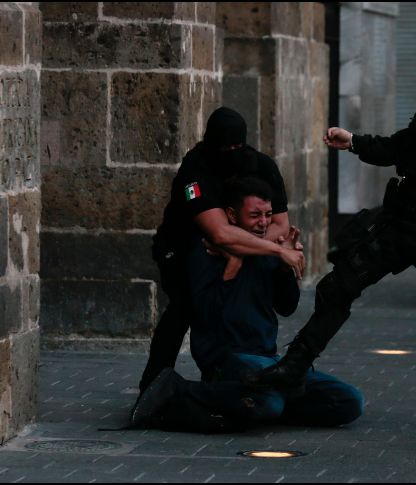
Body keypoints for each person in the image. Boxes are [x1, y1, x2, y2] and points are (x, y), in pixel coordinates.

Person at [241, 44, 416, 449]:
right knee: (336, 287)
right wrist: (353, 142)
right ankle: (294, 366)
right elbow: (399, 147)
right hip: (399, 226)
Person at [131, 177, 363, 431]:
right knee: (270, 403)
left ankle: (255, 404)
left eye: (268, 215)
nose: (263, 223)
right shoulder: (207, 252)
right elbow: (204, 314)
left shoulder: (269, 251)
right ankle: (178, 389)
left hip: (269, 360)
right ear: (231, 215)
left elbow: (288, 306)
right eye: (255, 215)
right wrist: (232, 266)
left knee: (349, 402)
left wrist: (285, 270)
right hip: (226, 360)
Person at [138, 107, 305, 394]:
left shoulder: (261, 165)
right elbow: (217, 232)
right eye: (225, 147)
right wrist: (275, 251)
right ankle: (153, 386)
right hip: (184, 246)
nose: (232, 152)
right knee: (184, 307)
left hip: (232, 248)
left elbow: (280, 226)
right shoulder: (195, 168)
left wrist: (244, 247)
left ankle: (235, 368)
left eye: (237, 146)